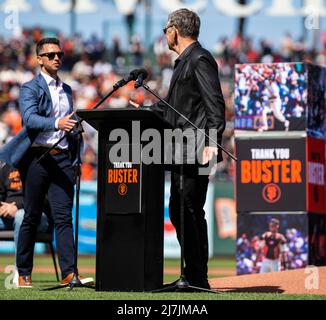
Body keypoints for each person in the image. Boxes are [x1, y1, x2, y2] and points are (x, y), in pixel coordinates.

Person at [132, 9, 226, 289]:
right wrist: (146, 111)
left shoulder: (199, 58)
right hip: (182, 147)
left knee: (186, 209)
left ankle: (196, 277)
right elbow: (176, 107)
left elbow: (215, 105)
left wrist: (212, 142)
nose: (164, 35)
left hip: (198, 146)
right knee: (185, 210)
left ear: (174, 30)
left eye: (165, 30)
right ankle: (196, 276)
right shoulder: (186, 61)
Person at [0, 38, 93, 288]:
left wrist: (75, 159)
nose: (56, 58)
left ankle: (69, 274)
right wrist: (56, 123)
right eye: (50, 55)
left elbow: (72, 127)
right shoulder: (30, 88)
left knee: (64, 217)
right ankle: (24, 273)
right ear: (39, 59)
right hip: (36, 158)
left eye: (59, 54)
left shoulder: (68, 90)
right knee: (30, 215)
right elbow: (29, 120)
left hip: (62, 158)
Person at [0, 160, 49, 251]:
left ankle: (20, 265)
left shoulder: (39, 165)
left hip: (35, 217)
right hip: (7, 216)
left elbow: (43, 198)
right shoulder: (6, 167)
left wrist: (17, 207)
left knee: (21, 216)